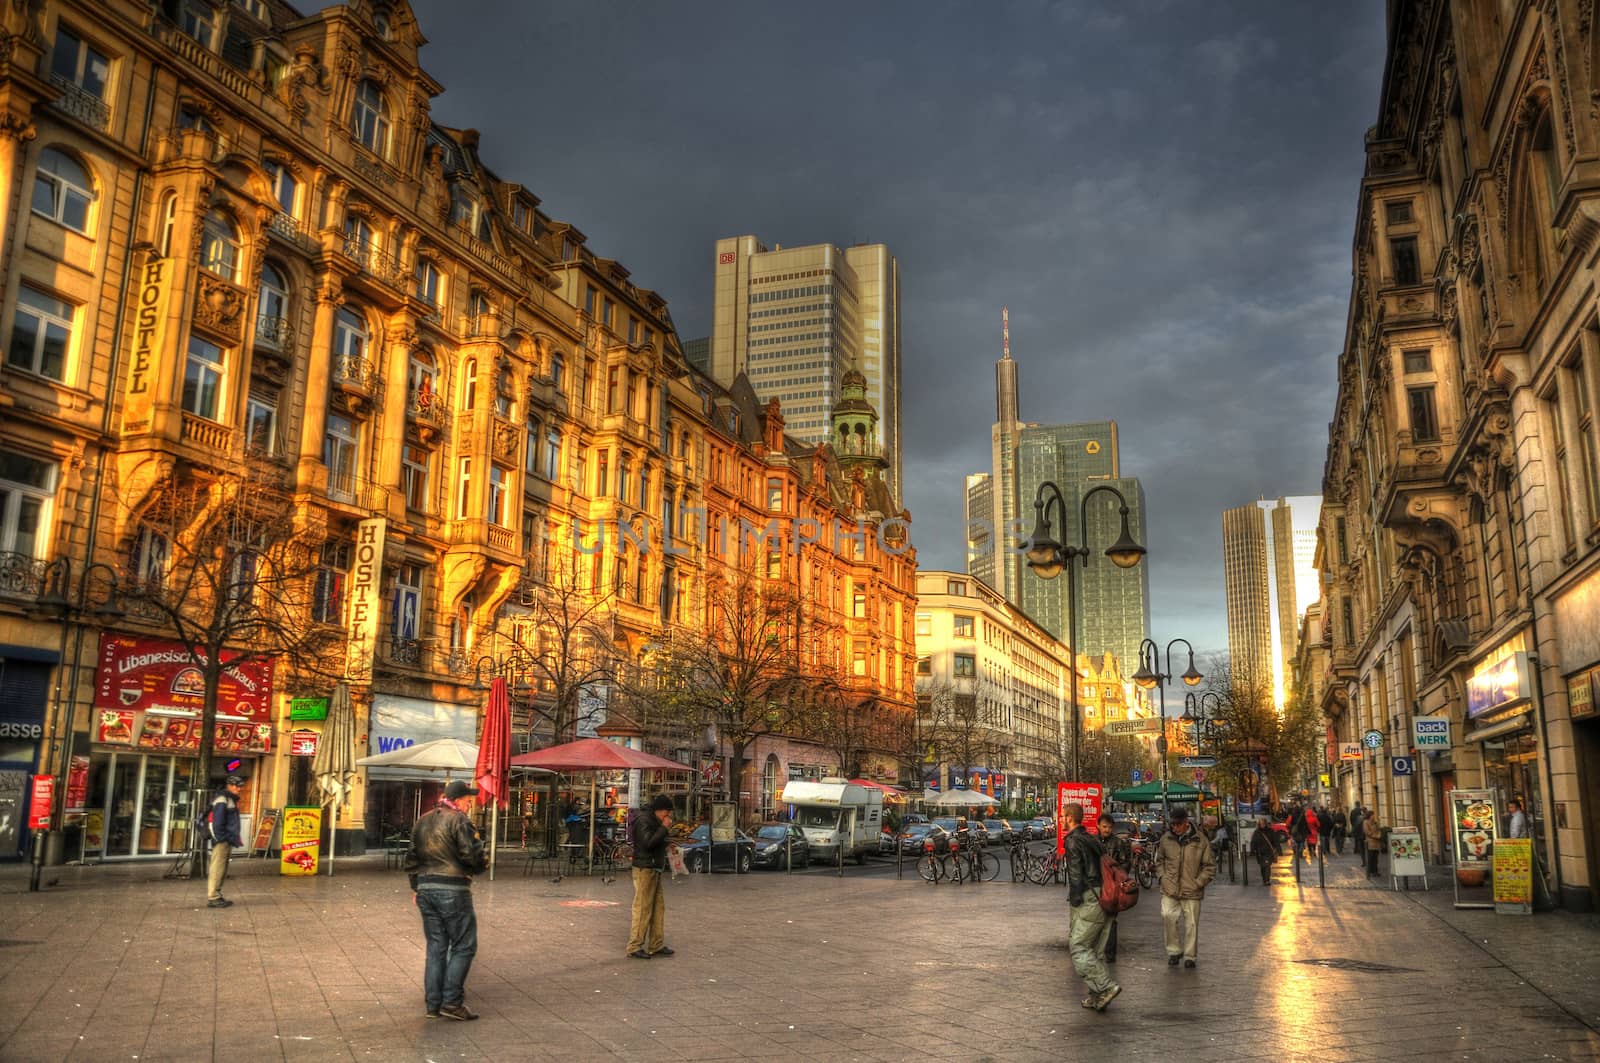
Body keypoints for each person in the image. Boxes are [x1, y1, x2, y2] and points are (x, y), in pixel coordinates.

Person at [404, 779, 488, 1020]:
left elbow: (411, 858)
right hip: (453, 889)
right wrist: (480, 866)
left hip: (426, 888)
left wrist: (416, 887)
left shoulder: (423, 820)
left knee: (436, 947)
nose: (470, 804)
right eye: (468, 800)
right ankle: (451, 1002)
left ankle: (433, 1004)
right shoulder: (459, 820)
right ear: (460, 800)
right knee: (463, 945)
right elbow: (470, 853)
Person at [1061, 803, 1119, 1011]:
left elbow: (1076, 875)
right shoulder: (1091, 838)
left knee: (1078, 947)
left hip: (1088, 897)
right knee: (1095, 950)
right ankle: (1096, 996)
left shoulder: (1073, 841)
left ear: (1069, 818)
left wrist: (1076, 901)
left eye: (1062, 816)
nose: (1061, 820)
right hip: (1104, 895)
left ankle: (1105, 987)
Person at [1156, 807, 1216, 968]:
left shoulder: (1200, 840)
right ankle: (1174, 951)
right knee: (1167, 916)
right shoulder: (1166, 839)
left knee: (1191, 924)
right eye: (1172, 824)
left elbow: (1209, 866)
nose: (1174, 827)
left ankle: (1190, 956)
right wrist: (1162, 877)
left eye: (1177, 824)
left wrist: (1198, 883)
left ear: (1186, 823)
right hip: (1170, 888)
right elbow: (1159, 860)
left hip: (1192, 889)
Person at [627, 795, 674, 959]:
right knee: (642, 907)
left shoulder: (653, 820)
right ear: (659, 810)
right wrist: (664, 828)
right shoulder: (643, 821)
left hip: (654, 867)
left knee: (658, 907)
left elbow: (656, 841)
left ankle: (656, 944)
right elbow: (648, 843)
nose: (668, 817)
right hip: (645, 868)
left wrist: (668, 843)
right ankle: (634, 946)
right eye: (666, 813)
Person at [1096, 817, 1132, 963]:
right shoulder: (1093, 841)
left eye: (1109, 827)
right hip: (1097, 885)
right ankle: (1098, 950)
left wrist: (1116, 876)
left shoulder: (1118, 843)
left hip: (1112, 887)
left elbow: (1125, 863)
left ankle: (1110, 953)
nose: (1107, 830)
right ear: (1098, 826)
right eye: (1104, 827)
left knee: (1111, 919)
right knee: (1096, 918)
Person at [206, 774, 245, 909]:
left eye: (240, 786)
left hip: (226, 838)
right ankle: (214, 897)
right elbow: (217, 822)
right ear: (230, 785)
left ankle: (216, 894)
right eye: (237, 786)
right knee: (218, 867)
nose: (239, 789)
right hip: (222, 840)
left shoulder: (229, 799)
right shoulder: (223, 799)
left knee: (221, 868)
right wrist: (222, 838)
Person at [1249, 818, 1276, 886]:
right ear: (1259, 824)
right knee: (1263, 867)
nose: (1262, 825)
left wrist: (1278, 849)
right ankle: (1264, 879)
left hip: (1268, 852)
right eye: (1261, 824)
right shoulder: (1257, 832)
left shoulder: (1270, 831)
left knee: (1267, 866)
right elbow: (1253, 842)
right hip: (1260, 853)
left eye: (1263, 823)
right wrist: (1252, 851)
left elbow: (1275, 841)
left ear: (1265, 823)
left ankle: (1267, 880)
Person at [1363, 813, 1383, 879]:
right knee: (1370, 858)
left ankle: (1375, 871)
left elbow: (1378, 830)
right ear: (1370, 816)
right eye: (1373, 815)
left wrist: (1379, 835)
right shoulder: (1366, 822)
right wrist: (1375, 835)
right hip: (1370, 843)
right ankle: (1370, 871)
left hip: (1376, 843)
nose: (1374, 816)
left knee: (1375, 858)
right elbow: (1367, 832)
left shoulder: (1375, 822)